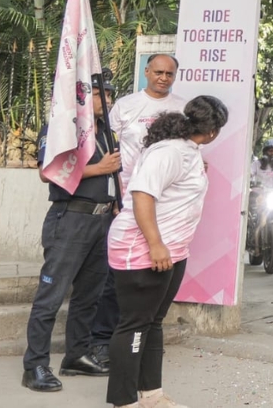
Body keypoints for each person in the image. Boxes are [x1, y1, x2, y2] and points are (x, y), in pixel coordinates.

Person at [105, 96, 229, 408]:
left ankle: (152, 396)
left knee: (153, 322)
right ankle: (124, 401)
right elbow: (143, 195)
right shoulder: (170, 151)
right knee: (134, 325)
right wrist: (155, 244)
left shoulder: (187, 150)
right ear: (214, 132)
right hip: (142, 250)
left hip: (172, 250)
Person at [22, 76, 121, 392]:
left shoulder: (105, 131)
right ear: (80, 95)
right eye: (97, 93)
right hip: (71, 219)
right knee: (50, 297)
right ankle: (35, 365)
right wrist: (98, 169)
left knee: (89, 296)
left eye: (109, 93)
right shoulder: (62, 126)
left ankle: (77, 355)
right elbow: (46, 172)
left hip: (101, 221)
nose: (104, 98)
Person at [94, 54, 184, 367]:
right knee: (115, 278)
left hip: (165, 206)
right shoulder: (125, 105)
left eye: (169, 74)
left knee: (152, 276)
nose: (163, 78)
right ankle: (103, 341)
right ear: (146, 71)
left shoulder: (182, 109)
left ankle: (140, 342)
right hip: (126, 202)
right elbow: (108, 145)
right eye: (158, 72)